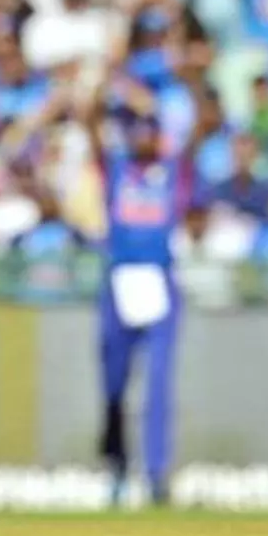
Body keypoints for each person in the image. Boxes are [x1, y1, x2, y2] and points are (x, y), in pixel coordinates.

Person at [79, 72, 183, 508]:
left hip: (158, 279)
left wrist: (148, 102)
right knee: (114, 384)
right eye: (137, 130)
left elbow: (195, 126)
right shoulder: (118, 167)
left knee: (158, 384)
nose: (144, 137)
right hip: (119, 278)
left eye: (150, 131)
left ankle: (157, 474)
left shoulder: (172, 172)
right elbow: (89, 121)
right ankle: (116, 466)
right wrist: (105, 85)